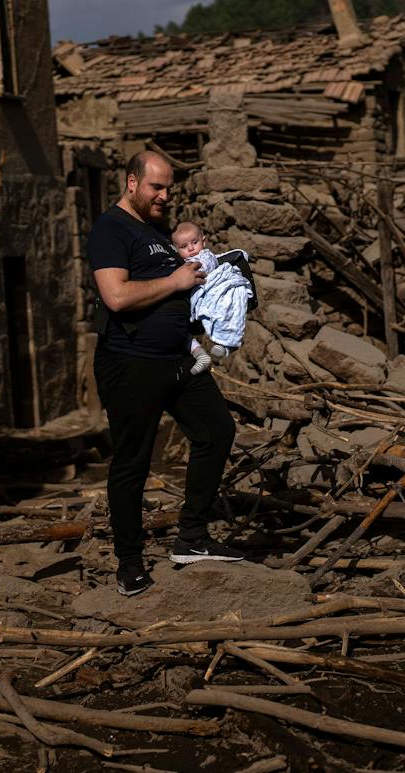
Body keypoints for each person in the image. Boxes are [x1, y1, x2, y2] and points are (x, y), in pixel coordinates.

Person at [87, 151, 242, 596]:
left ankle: (191, 537)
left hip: (178, 360)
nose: (165, 195)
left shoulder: (157, 231)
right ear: (132, 182)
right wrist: (176, 283)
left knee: (216, 430)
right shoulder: (110, 228)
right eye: (156, 187)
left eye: (169, 187)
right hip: (130, 362)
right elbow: (116, 297)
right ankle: (130, 563)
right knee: (134, 462)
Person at [170, 221, 254, 374]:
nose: (191, 248)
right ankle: (202, 352)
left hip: (212, 288)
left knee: (227, 308)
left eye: (194, 243)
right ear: (176, 250)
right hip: (197, 296)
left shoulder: (202, 257)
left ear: (203, 241)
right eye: (183, 247)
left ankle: (225, 344)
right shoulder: (182, 263)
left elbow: (210, 264)